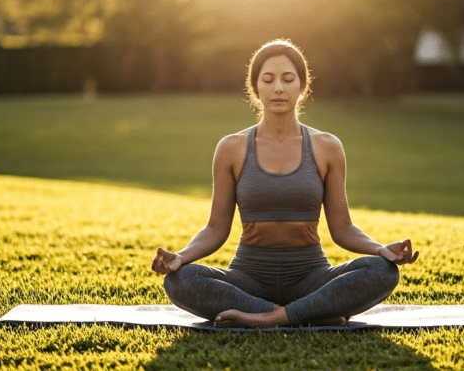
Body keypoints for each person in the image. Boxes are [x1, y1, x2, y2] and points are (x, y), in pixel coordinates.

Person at [151, 39, 419, 328]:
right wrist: (180, 257)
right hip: (248, 279)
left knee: (383, 271)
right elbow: (216, 228)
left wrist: (380, 250)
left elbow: (342, 228)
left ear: (302, 86)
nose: (278, 88)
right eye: (268, 80)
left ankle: (270, 317)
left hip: (311, 277)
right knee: (180, 280)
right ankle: (310, 313)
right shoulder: (231, 148)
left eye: (288, 79)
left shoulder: (327, 147)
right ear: (255, 88)